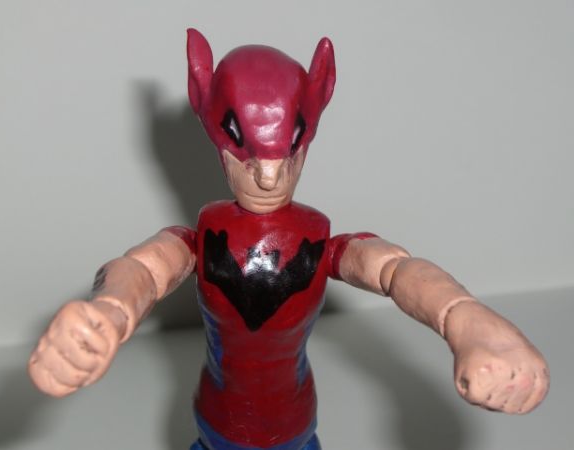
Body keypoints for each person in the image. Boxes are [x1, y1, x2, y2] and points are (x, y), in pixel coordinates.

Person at [28, 29, 549, 450]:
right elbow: (144, 268)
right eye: (247, 155)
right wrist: (109, 311)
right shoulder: (202, 237)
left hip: (295, 427)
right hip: (219, 426)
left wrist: (463, 317)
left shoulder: (319, 239)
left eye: (288, 155)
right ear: (217, 139)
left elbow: (393, 270)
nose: (268, 177)